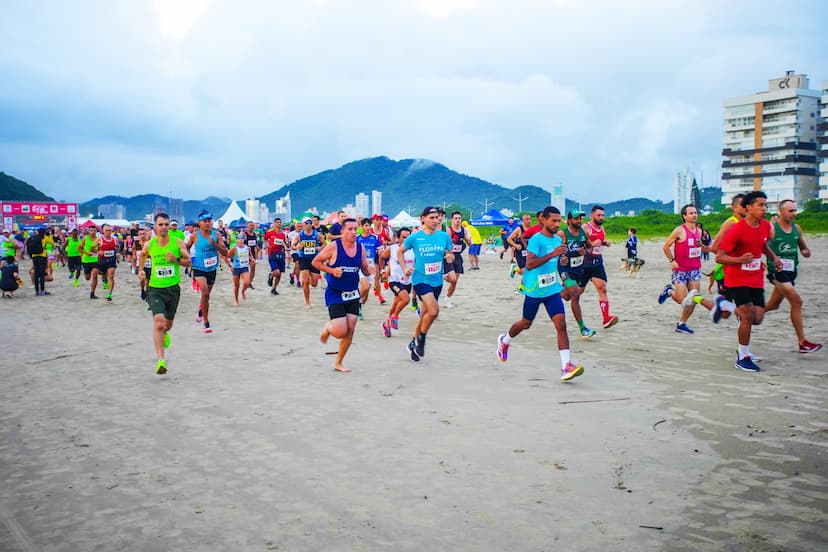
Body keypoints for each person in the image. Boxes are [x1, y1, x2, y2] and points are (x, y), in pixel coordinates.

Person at [496, 206, 585, 381]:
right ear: (543, 220)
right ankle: (504, 341)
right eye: (554, 220)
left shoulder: (557, 240)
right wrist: (553, 254)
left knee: (561, 324)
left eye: (559, 221)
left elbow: (556, 260)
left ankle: (566, 366)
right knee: (526, 323)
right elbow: (529, 264)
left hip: (552, 289)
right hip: (534, 290)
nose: (557, 224)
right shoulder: (537, 240)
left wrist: (562, 259)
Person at [716, 191, 782, 373]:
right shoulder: (736, 230)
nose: (764, 209)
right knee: (746, 314)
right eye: (760, 205)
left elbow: (761, 244)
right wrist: (739, 261)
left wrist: (774, 257)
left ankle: (724, 305)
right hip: (736, 278)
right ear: (748, 208)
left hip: (755, 278)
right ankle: (742, 356)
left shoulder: (765, 226)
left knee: (757, 318)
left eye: (766, 205)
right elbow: (719, 257)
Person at [313, 218, 372, 373]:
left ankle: (338, 362)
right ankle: (328, 327)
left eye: (355, 229)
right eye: (350, 229)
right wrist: (332, 271)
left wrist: (369, 270)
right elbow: (316, 262)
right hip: (335, 293)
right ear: (342, 232)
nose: (353, 232)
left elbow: (364, 269)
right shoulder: (334, 247)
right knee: (340, 332)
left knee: (350, 329)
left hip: (353, 294)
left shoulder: (361, 248)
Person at [137, 212, 192, 375]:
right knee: (159, 322)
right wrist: (140, 271)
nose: (164, 227)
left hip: (173, 289)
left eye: (166, 224)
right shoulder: (150, 244)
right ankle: (161, 360)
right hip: (155, 288)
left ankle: (165, 333)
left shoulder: (178, 242)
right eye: (161, 224)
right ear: (155, 227)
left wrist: (175, 259)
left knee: (167, 325)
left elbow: (189, 262)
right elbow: (143, 256)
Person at [764, 200, 822, 354]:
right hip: (776, 271)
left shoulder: (797, 229)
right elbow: (761, 246)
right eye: (790, 211)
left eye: (795, 210)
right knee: (797, 301)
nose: (794, 213)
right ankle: (802, 342)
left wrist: (805, 251)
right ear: (781, 212)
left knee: (772, 305)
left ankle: (747, 314)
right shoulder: (772, 228)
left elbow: (803, 246)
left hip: (791, 272)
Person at [398, 206, 454, 362]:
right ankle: (421, 340)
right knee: (434, 311)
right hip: (420, 280)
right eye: (432, 218)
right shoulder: (415, 237)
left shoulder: (444, 236)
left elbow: (450, 255)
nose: (435, 220)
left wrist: (450, 258)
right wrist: (404, 268)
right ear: (422, 219)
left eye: (437, 217)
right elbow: (399, 251)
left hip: (437, 281)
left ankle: (413, 343)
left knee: (425, 315)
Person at [657, 204, 709, 334]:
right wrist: (672, 260)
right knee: (682, 300)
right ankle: (669, 291)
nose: (694, 215)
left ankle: (682, 323)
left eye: (695, 212)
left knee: (693, 298)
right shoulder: (679, 230)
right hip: (680, 270)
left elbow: (699, 246)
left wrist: (706, 248)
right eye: (691, 213)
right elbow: (666, 246)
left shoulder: (699, 231)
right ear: (684, 216)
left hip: (695, 269)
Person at [186, 211, 228, 334]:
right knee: (204, 293)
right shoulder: (195, 236)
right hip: (199, 267)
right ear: (200, 223)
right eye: (205, 221)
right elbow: (187, 247)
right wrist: (188, 260)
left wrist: (214, 244)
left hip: (211, 268)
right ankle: (206, 322)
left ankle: (200, 310)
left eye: (210, 220)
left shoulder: (217, 235)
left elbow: (225, 252)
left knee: (207, 296)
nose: (208, 223)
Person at [557, 210, 596, 339]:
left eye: (580, 219)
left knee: (567, 296)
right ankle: (583, 329)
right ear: (569, 221)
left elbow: (590, 247)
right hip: (565, 269)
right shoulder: (563, 234)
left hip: (578, 269)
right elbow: (553, 249)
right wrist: (561, 256)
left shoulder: (583, 233)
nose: (579, 221)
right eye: (576, 219)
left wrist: (585, 251)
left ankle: (552, 293)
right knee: (575, 295)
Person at [581, 205, 619, 329]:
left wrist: (604, 243)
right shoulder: (586, 228)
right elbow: (578, 246)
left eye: (603, 215)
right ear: (592, 215)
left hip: (597, 262)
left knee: (602, 289)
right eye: (599, 215)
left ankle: (606, 319)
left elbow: (599, 241)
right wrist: (592, 244)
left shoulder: (602, 228)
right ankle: (553, 294)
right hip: (584, 262)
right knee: (576, 292)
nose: (601, 217)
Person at [380, 227, 414, 337]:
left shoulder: (413, 249)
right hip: (394, 280)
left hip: (407, 281)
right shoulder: (393, 248)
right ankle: (395, 316)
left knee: (395, 304)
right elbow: (381, 258)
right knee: (406, 299)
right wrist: (383, 271)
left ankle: (387, 324)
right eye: (404, 237)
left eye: (408, 237)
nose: (406, 239)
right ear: (398, 238)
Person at [292, 218, 325, 309]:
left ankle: (309, 278)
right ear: (303, 225)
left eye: (310, 223)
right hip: (303, 259)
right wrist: (297, 247)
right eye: (306, 223)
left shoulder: (317, 234)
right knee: (305, 281)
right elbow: (293, 246)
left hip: (315, 259)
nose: (309, 225)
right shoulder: (299, 235)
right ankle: (307, 302)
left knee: (314, 284)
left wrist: (320, 248)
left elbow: (324, 244)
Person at [443, 211, 471, 308]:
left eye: (459, 218)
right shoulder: (449, 230)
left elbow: (469, 244)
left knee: (454, 281)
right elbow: (445, 243)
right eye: (455, 218)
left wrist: (468, 239)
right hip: (449, 256)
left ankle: (447, 298)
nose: (457, 220)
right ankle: (442, 276)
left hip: (458, 256)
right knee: (453, 279)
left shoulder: (464, 230)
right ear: (452, 220)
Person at [357, 218, 382, 317]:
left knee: (366, 294)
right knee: (365, 286)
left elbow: (380, 252)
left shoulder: (375, 238)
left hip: (371, 266)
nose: (368, 228)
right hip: (360, 266)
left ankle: (359, 303)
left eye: (369, 225)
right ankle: (355, 303)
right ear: (362, 226)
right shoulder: (357, 238)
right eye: (366, 225)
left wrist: (381, 252)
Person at [227, 231, 251, 305]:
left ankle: (243, 292)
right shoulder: (234, 248)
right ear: (236, 240)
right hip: (236, 268)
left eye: (242, 239)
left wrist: (252, 260)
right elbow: (226, 256)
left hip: (244, 267)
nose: (241, 240)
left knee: (247, 282)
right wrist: (230, 266)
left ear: (244, 239)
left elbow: (250, 256)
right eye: (239, 239)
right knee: (236, 286)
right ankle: (236, 300)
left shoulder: (247, 247)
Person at [264, 217, 287, 295]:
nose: (279, 223)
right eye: (277, 222)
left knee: (279, 273)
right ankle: (271, 275)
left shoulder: (283, 234)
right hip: (272, 254)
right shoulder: (269, 232)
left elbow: (285, 243)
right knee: (276, 272)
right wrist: (267, 245)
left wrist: (286, 244)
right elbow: (265, 239)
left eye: (280, 222)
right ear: (274, 224)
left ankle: (274, 289)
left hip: (280, 254)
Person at [97, 224, 119, 301]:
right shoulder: (99, 239)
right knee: (103, 274)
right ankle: (105, 281)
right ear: (103, 231)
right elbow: (92, 248)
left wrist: (117, 253)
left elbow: (117, 247)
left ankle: (110, 294)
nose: (108, 232)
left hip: (111, 260)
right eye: (106, 230)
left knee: (111, 276)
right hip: (102, 260)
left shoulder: (114, 239)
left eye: (110, 230)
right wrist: (98, 251)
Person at [27, 228, 50, 296]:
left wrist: (31, 256)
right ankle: (42, 290)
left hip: (34, 256)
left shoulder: (32, 238)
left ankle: (37, 291)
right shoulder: (44, 238)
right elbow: (51, 242)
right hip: (42, 256)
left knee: (36, 274)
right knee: (42, 274)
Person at [80, 226, 100, 299]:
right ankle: (89, 273)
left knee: (95, 275)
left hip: (95, 259)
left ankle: (92, 293)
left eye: (94, 230)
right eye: (91, 231)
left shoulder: (98, 239)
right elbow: (79, 248)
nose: (93, 232)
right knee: (87, 278)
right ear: (89, 231)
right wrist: (86, 253)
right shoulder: (85, 238)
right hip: (86, 260)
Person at [242, 221, 259, 288]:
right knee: (245, 269)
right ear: (247, 226)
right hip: (244, 254)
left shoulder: (255, 234)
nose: (252, 227)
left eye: (253, 225)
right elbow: (239, 243)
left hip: (252, 254)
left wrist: (257, 248)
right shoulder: (244, 234)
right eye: (250, 225)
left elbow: (255, 244)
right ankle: (246, 281)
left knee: (253, 269)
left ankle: (249, 282)